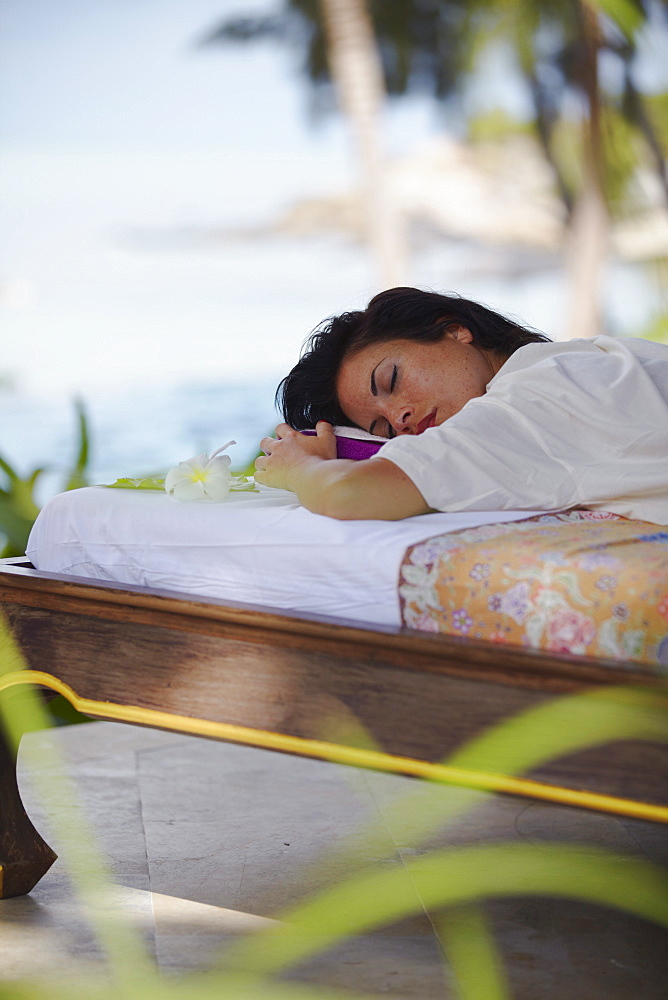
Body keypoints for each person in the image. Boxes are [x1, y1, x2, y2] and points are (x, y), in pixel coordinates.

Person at [254, 287, 668, 524]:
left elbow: (349, 494)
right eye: (383, 430)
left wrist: (299, 468)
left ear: (454, 331)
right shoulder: (596, 357)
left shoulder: (525, 406)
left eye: (391, 380)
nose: (400, 418)